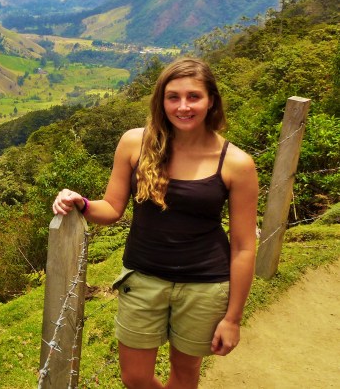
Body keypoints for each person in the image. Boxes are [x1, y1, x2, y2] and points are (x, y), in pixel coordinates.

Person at [51, 57, 258, 389]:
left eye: (194, 96)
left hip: (205, 285)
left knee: (185, 375)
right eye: (173, 97)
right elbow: (112, 208)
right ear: (161, 101)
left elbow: (244, 247)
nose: (183, 106)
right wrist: (82, 203)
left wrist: (233, 319)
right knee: (135, 377)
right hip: (143, 277)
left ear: (211, 101)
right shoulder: (135, 143)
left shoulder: (236, 163)